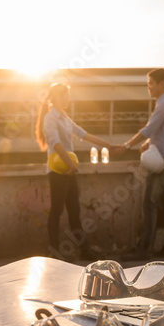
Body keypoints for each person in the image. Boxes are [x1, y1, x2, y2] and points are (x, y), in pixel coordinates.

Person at [35, 82, 117, 260]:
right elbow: (55, 143)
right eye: (65, 94)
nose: (68, 98)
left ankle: (84, 250)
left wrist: (109, 146)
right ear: (57, 96)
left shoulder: (64, 117)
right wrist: (70, 164)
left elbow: (84, 135)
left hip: (69, 170)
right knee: (57, 211)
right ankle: (54, 252)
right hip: (57, 171)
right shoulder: (50, 118)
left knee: (74, 211)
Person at [123, 68, 164, 258]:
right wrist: (147, 143)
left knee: (149, 203)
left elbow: (149, 129)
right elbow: (160, 132)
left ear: (161, 84)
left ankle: (143, 249)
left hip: (161, 163)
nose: (148, 87)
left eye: (151, 83)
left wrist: (126, 145)